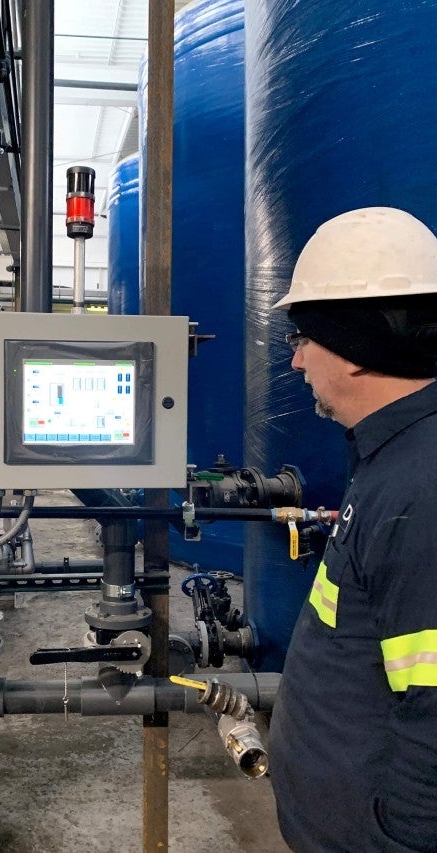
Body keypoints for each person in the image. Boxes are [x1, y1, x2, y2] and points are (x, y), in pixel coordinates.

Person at [268, 207, 437, 852]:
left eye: (306, 338)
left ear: (358, 349)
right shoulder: (391, 458)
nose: (297, 361)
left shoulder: (418, 488)